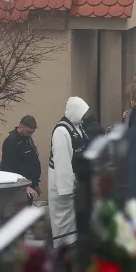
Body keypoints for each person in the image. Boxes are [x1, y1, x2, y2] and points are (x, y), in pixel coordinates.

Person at [48, 97, 90, 243]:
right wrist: (66, 188)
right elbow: (62, 162)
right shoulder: (61, 131)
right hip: (63, 183)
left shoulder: (78, 128)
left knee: (73, 218)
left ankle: (71, 246)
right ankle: (62, 248)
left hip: (76, 180)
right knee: (63, 218)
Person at [0, 116, 41, 200]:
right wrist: (23, 187)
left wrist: (35, 183)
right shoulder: (11, 141)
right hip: (19, 188)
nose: (30, 134)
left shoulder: (27, 139)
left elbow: (32, 161)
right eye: (28, 132)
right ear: (21, 126)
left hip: (30, 184)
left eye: (32, 132)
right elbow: (8, 168)